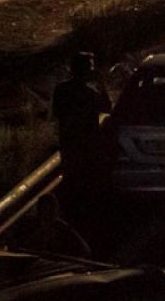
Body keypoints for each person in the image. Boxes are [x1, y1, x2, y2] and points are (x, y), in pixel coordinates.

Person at [52, 51, 110, 222]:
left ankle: (72, 215)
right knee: (86, 184)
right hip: (87, 147)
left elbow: (56, 113)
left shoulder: (61, 89)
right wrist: (102, 84)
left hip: (70, 145)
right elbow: (107, 107)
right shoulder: (90, 93)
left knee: (72, 182)